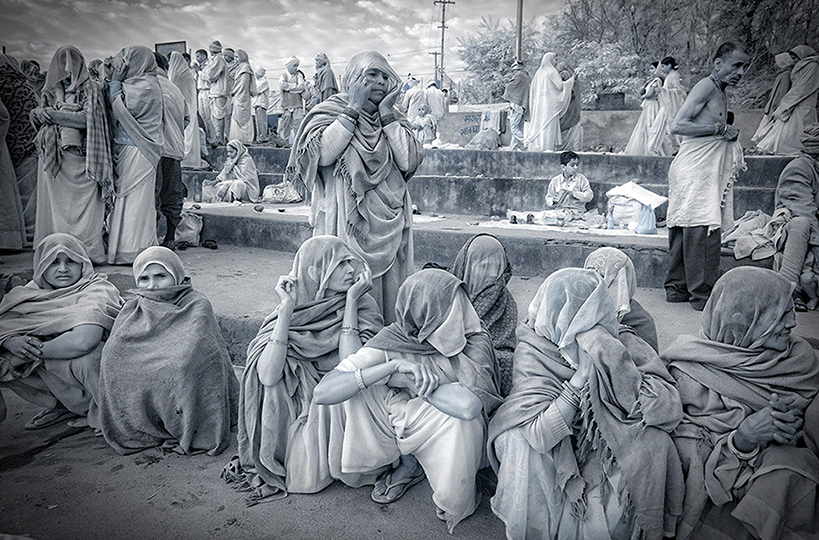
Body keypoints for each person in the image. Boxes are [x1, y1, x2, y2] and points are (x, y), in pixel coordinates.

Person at [488, 268, 684, 540]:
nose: (581, 325)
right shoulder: (535, 346)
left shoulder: (619, 340)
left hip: (601, 445)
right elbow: (540, 435)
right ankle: (541, 528)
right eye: (572, 315)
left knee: (654, 443)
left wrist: (609, 357)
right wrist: (580, 378)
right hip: (554, 451)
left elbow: (665, 409)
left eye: (589, 315)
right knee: (515, 438)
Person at [312, 269, 502, 533]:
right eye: (451, 309)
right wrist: (391, 369)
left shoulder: (473, 339)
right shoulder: (396, 338)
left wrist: (412, 382)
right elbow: (323, 392)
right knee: (357, 385)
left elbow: (470, 407)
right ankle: (407, 463)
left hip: (445, 420)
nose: (462, 315)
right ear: (424, 313)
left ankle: (456, 494)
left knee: (462, 422)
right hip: (403, 414)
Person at [663, 267, 819, 540]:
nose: (793, 322)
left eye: (790, 309)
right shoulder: (689, 372)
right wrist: (744, 439)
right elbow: (682, 458)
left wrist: (795, 429)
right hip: (723, 498)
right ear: (744, 320)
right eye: (781, 314)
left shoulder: (800, 360)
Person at [223, 236, 383, 503]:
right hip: (302, 406)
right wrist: (286, 309)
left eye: (350, 262)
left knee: (342, 386)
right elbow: (267, 375)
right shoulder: (289, 311)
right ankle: (287, 454)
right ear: (315, 271)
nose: (351, 270)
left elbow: (350, 364)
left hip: (340, 402)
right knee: (278, 374)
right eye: (341, 264)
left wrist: (352, 302)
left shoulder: (363, 305)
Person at [285, 50, 424, 323]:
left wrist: (386, 114)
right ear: (352, 79)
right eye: (371, 74)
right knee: (345, 280)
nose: (380, 82)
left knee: (388, 293)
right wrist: (353, 110)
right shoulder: (331, 110)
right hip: (345, 220)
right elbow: (322, 154)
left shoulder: (393, 117)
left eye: (385, 76)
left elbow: (408, 160)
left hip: (389, 220)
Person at [96, 246, 238, 455]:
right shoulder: (133, 308)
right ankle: (140, 427)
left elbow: (196, 352)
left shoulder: (196, 304)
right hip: (157, 367)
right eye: (144, 279)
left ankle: (186, 426)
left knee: (182, 368)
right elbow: (116, 351)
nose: (152, 285)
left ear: (177, 275)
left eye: (161, 276)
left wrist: (164, 361)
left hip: (183, 370)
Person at [0, 234, 122, 430]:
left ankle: (108, 412)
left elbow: (83, 341)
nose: (63, 269)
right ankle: (62, 405)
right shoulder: (27, 294)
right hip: (55, 359)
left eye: (71, 261)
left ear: (83, 263)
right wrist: (10, 342)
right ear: (41, 266)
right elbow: (5, 325)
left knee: (90, 359)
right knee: (4, 359)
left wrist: (26, 355)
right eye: (53, 262)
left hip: (91, 364)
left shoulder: (96, 289)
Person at [665, 41, 750, 311]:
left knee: (687, 226)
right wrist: (720, 129)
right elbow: (677, 125)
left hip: (696, 170)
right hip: (694, 169)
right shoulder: (707, 86)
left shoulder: (720, 90)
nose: (741, 71)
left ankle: (676, 288)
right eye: (736, 65)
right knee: (702, 227)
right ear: (717, 64)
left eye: (744, 67)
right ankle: (702, 295)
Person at [33, 45, 113, 265]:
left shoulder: (91, 88)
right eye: (63, 67)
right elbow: (39, 117)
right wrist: (49, 114)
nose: (67, 72)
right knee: (56, 207)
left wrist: (52, 115)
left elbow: (87, 119)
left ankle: (87, 252)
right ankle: (58, 251)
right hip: (55, 157)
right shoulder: (49, 91)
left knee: (85, 208)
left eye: (71, 66)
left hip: (84, 157)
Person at [105, 45, 164, 265]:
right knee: (125, 199)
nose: (124, 63)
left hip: (141, 149)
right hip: (128, 148)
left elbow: (122, 111)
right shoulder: (131, 84)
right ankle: (121, 249)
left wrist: (114, 85)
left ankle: (136, 249)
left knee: (137, 201)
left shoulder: (147, 85)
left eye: (127, 59)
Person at [448, 234, 517, 396]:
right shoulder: (447, 294)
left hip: (492, 354)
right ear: (467, 266)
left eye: (496, 267)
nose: (492, 274)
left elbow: (504, 343)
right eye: (484, 266)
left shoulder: (505, 300)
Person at [771, 125, 819, 310]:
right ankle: (788, 290)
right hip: (792, 227)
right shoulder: (799, 169)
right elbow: (804, 210)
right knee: (802, 224)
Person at [583, 246, 659, 351]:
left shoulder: (641, 321)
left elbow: (649, 362)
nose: (596, 283)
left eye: (603, 276)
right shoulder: (579, 304)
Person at [0, 55, 38, 247]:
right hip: (33, 145)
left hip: (15, 147)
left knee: (18, 196)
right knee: (28, 196)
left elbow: (5, 116)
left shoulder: (5, 85)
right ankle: (27, 235)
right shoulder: (24, 85)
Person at [754, 46, 819, 155]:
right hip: (795, 104)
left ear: (803, 54)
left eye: (795, 57)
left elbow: (802, 88)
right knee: (787, 132)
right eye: (792, 58)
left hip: (803, 104)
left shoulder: (813, 66)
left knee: (798, 132)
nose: (794, 61)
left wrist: (785, 104)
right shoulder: (803, 66)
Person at [154, 52, 189, 250]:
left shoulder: (149, 85)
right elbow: (186, 119)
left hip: (155, 149)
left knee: (154, 196)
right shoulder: (175, 89)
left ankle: (151, 238)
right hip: (174, 149)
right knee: (173, 194)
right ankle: (169, 237)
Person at [525, 52, 574, 152]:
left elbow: (533, 91)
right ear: (550, 59)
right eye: (555, 59)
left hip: (539, 106)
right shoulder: (551, 72)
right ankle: (547, 146)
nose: (556, 62)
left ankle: (539, 145)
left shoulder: (538, 73)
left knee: (541, 123)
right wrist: (570, 81)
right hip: (549, 106)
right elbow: (560, 86)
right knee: (548, 125)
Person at [751, 52, 795, 147]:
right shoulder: (783, 74)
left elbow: (781, 93)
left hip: (776, 107)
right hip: (772, 106)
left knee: (769, 129)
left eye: (777, 62)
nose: (775, 65)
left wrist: (776, 107)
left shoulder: (786, 75)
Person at [624, 62, 665, 155]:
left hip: (653, 106)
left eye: (652, 69)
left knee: (651, 125)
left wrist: (643, 97)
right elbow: (641, 92)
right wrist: (645, 84)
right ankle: (644, 149)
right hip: (648, 106)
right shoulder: (651, 81)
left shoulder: (657, 81)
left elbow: (650, 94)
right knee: (644, 126)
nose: (650, 71)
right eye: (650, 69)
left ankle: (654, 149)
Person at [168, 51, 200, 169]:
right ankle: (192, 160)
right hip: (189, 105)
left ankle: (186, 159)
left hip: (182, 105)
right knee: (190, 131)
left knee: (185, 132)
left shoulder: (178, 73)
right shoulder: (186, 72)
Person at [653, 57, 688, 156]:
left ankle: (682, 148)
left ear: (669, 66)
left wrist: (663, 90)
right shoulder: (669, 76)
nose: (662, 69)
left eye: (663, 66)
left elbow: (678, 91)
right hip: (667, 106)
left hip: (672, 107)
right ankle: (672, 149)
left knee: (673, 128)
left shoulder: (674, 76)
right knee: (665, 129)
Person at [544, 150, 593, 221]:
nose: (576, 167)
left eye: (577, 164)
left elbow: (589, 196)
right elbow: (548, 198)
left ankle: (573, 218)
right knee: (544, 216)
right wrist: (554, 201)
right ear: (563, 167)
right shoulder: (555, 180)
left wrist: (574, 194)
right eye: (572, 165)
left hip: (577, 212)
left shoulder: (581, 179)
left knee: (589, 218)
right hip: (560, 212)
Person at [204, 41, 229, 147]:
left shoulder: (219, 59)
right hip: (216, 92)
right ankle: (218, 137)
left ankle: (219, 138)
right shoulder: (217, 60)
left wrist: (203, 73)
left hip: (219, 92)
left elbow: (211, 75)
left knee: (218, 116)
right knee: (216, 116)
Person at [502, 60, 530, 151]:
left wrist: (507, 89)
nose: (513, 72)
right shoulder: (526, 76)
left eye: (514, 70)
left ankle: (526, 142)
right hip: (522, 104)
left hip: (517, 104)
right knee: (519, 128)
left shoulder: (519, 76)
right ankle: (513, 147)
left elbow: (510, 87)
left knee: (514, 127)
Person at [555, 61, 583, 152]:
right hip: (569, 111)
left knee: (570, 129)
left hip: (570, 109)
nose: (562, 76)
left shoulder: (570, 80)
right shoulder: (573, 80)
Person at [229, 50, 255, 145]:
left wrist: (234, 91)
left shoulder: (245, 68)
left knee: (242, 115)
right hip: (238, 96)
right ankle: (237, 138)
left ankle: (244, 139)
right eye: (234, 57)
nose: (235, 60)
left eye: (237, 57)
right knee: (236, 115)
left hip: (242, 96)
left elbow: (243, 84)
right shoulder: (238, 68)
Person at [278, 56, 305, 144]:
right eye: (294, 65)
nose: (296, 68)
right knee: (286, 125)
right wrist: (295, 86)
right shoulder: (283, 76)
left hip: (297, 105)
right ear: (289, 66)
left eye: (297, 65)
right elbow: (282, 85)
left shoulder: (299, 75)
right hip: (286, 105)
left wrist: (289, 87)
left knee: (298, 125)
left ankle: (299, 144)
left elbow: (301, 87)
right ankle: (285, 143)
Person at [194, 48, 214, 145]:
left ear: (204, 56)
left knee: (208, 115)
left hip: (207, 91)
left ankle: (212, 137)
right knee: (202, 116)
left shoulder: (210, 65)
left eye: (198, 56)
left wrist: (199, 71)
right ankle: (206, 138)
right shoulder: (199, 66)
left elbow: (208, 78)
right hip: (200, 91)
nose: (197, 58)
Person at [252, 67, 269, 143]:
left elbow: (256, 90)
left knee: (261, 121)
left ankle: (262, 136)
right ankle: (259, 136)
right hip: (257, 104)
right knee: (258, 121)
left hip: (261, 104)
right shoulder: (257, 81)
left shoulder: (264, 82)